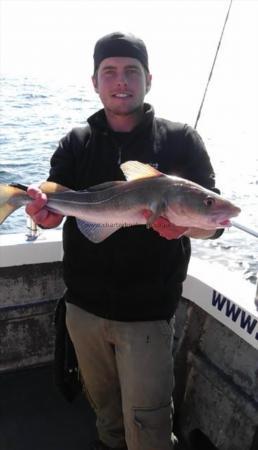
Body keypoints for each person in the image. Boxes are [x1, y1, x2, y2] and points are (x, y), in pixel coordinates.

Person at [26, 32, 223, 450]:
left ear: (148, 79)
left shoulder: (179, 140)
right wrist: (42, 214)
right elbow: (51, 209)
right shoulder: (76, 142)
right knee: (106, 415)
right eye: (110, 72)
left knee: (149, 428)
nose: (121, 81)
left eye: (131, 71)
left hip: (147, 315)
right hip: (83, 311)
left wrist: (186, 227)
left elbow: (215, 223)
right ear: (94, 82)